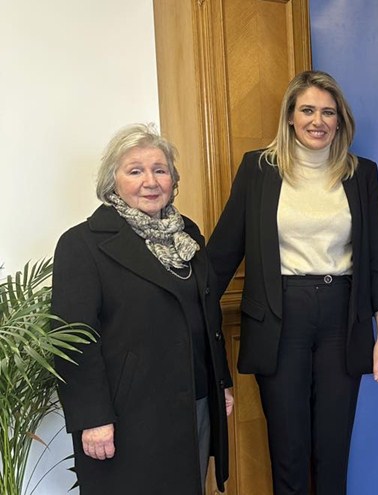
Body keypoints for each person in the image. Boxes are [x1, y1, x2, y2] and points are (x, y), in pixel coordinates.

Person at [207, 70, 378, 495]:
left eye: (328, 112)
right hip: (280, 319)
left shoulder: (361, 173)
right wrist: (187, 307)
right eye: (307, 110)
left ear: (340, 119)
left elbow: (376, 259)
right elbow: (222, 254)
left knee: (333, 452)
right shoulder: (259, 169)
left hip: (341, 319)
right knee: (288, 453)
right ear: (290, 116)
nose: (318, 121)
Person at [51, 123, 234, 495]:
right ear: (112, 182)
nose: (150, 181)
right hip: (127, 415)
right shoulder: (81, 245)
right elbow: (74, 341)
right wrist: (92, 418)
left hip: (194, 402)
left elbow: (206, 315)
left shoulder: (188, 236)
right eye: (135, 171)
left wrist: (221, 384)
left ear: (173, 180)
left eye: (160, 170)